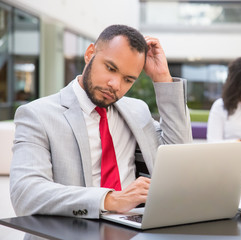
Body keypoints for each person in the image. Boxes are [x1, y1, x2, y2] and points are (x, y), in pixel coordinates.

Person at [10, 24, 192, 219]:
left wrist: (162, 78)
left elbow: (179, 156)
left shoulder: (137, 110)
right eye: (111, 68)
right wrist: (109, 199)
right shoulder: (37, 115)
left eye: (128, 80)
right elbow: (25, 193)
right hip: (71, 230)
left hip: (132, 229)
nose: (115, 85)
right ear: (90, 54)